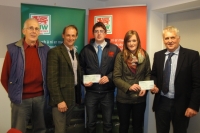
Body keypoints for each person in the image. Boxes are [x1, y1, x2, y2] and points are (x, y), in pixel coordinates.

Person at [1, 18, 50, 133]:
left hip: (41, 98)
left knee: (41, 130)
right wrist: (15, 93)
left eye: (37, 29)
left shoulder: (46, 50)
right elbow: (4, 77)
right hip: (21, 100)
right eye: (30, 28)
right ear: (24, 31)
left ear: (39, 32)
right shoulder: (13, 50)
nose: (34, 31)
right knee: (18, 130)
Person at [151, 26, 200, 133]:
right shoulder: (158, 55)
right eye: (166, 38)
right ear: (163, 40)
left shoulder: (192, 55)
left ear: (179, 38)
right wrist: (153, 85)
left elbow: (197, 83)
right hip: (161, 103)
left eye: (172, 37)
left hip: (182, 104)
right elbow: (153, 74)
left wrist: (193, 106)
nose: (170, 41)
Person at [79, 22, 120, 133]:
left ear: (105, 33)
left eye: (101, 31)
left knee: (107, 123)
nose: (99, 33)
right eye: (96, 31)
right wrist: (84, 81)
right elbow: (80, 69)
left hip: (108, 92)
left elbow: (118, 68)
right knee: (91, 123)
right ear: (93, 33)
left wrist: (110, 77)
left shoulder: (115, 49)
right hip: (91, 92)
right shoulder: (86, 50)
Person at [113, 30, 151, 133]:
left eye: (134, 40)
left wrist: (145, 88)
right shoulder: (120, 56)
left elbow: (148, 74)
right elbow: (116, 77)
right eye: (129, 41)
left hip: (139, 98)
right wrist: (128, 87)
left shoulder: (145, 55)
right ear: (125, 42)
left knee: (138, 127)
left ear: (138, 41)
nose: (131, 43)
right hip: (123, 99)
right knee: (124, 127)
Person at [47, 25, 82, 133]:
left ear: (76, 37)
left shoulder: (75, 53)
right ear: (63, 36)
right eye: (68, 35)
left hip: (72, 98)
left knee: (66, 127)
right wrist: (59, 101)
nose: (70, 38)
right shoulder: (55, 52)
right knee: (60, 130)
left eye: (73, 35)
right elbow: (51, 79)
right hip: (60, 100)